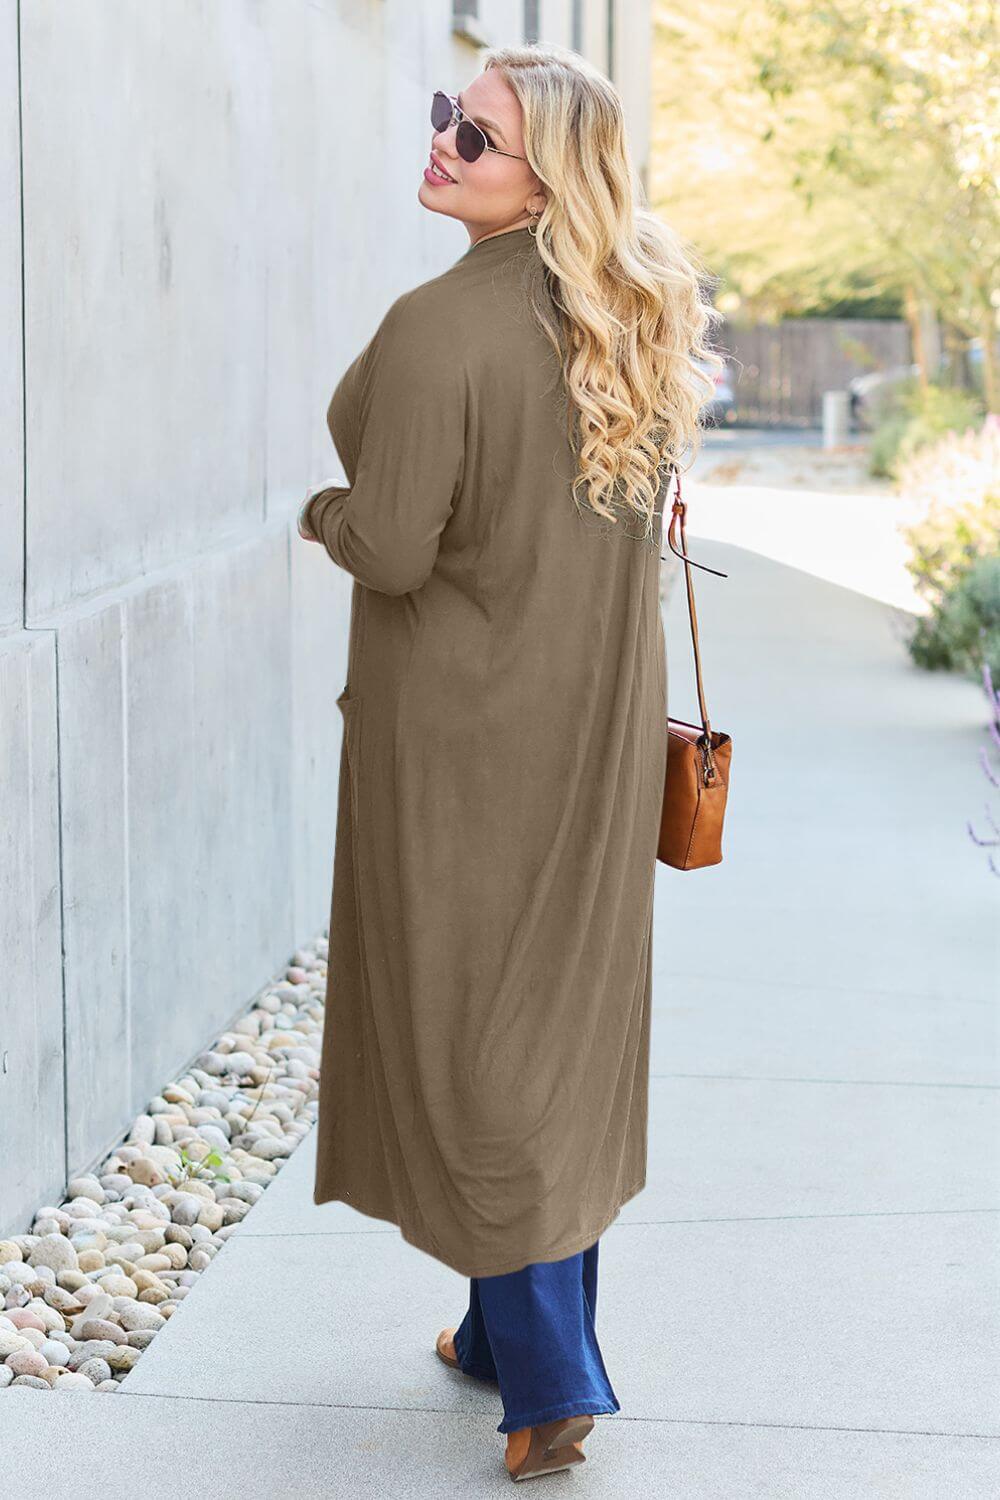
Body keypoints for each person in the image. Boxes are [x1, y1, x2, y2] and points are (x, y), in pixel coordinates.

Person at [299, 41, 720, 1483]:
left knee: (476, 1038)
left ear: (547, 176)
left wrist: (321, 514)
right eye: (444, 119)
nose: (441, 145)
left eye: (473, 137)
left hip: (466, 739)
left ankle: (549, 1378)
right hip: (593, 730)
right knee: (552, 1023)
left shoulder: (440, 327)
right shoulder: (634, 316)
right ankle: (496, 1333)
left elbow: (396, 542)